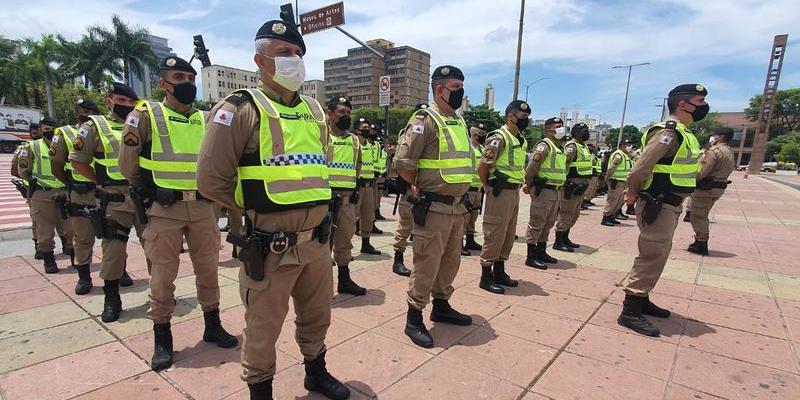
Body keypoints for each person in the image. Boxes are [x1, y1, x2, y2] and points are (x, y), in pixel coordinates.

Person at [196, 19, 350, 400]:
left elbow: (317, 170)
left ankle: (316, 371)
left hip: (316, 243)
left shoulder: (316, 112)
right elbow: (210, 180)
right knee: (263, 326)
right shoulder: (239, 108)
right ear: (260, 61)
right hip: (269, 246)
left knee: (318, 316)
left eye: (299, 54)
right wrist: (256, 205)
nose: (294, 61)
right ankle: (260, 390)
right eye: (284, 54)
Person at [119, 56, 237, 371]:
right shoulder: (145, 115)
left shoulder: (204, 119)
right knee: (162, 275)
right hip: (163, 208)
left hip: (201, 207)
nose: (186, 83)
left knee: (208, 269)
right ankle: (163, 337)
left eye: (189, 77)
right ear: (162, 83)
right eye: (178, 77)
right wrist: (147, 194)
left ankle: (212, 324)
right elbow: (128, 164)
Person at [619, 83, 707, 337]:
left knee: (659, 252)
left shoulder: (684, 133)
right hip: (658, 200)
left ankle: (642, 297)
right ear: (683, 104)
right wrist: (633, 193)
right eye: (699, 101)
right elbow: (639, 169)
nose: (703, 107)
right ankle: (630, 309)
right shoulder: (668, 133)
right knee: (651, 252)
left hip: (670, 202)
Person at [395, 65, 474, 348]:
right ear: (439, 90)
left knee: (450, 262)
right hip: (434, 206)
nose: (461, 92)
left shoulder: (459, 121)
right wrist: (418, 185)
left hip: (457, 208)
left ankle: (442, 306)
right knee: (427, 263)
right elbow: (404, 162)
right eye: (455, 87)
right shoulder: (424, 119)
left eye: (462, 86)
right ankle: (414, 317)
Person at [69, 82, 142, 323]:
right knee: (113, 252)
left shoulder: (144, 123)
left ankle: (161, 295)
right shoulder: (94, 127)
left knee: (157, 249)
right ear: (109, 101)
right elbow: (78, 161)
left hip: (144, 197)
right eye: (122, 102)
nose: (128, 107)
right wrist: (100, 180)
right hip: (114, 198)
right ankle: (112, 298)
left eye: (132, 103)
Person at [477, 101, 531, 293]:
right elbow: (483, 166)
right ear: (511, 117)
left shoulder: (520, 139)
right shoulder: (499, 138)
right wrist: (486, 186)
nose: (526, 121)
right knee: (495, 232)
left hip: (513, 191)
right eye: (523, 117)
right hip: (499, 192)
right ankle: (486, 275)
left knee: (508, 233)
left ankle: (499, 271)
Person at [50, 100, 102, 294]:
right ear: (76, 112)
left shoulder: (102, 130)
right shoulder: (65, 133)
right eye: (83, 111)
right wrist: (71, 183)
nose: (86, 114)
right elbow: (57, 165)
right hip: (80, 192)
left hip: (104, 190)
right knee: (82, 237)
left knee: (114, 235)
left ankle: (120, 271)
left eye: (91, 111)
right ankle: (84, 276)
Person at [18, 116, 75, 273]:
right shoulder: (32, 146)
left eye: (52, 129)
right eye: (45, 129)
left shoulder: (65, 144)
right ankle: (49, 261)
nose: (49, 132)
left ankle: (74, 259)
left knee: (70, 227)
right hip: (42, 193)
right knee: (44, 230)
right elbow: (23, 171)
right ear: (41, 130)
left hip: (64, 191)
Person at [326, 96, 367, 296]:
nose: (346, 116)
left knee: (344, 241)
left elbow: (357, 167)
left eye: (349, 113)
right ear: (330, 114)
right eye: (342, 112)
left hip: (346, 199)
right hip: (325, 200)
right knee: (322, 244)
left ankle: (344, 280)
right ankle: (320, 286)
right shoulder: (321, 137)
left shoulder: (354, 141)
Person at [389, 103, 429, 277]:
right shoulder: (408, 133)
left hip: (426, 186)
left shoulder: (432, 131)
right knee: (405, 224)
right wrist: (412, 182)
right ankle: (398, 259)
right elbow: (402, 162)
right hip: (410, 186)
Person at [523, 117, 568, 269]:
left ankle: (541, 251)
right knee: (537, 223)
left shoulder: (559, 147)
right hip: (543, 190)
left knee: (548, 223)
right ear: (549, 128)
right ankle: (531, 255)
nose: (561, 128)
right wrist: (528, 186)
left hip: (556, 191)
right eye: (557, 126)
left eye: (562, 126)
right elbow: (530, 169)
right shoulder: (544, 146)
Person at [688, 127, 735, 255]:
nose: (713, 137)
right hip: (718, 188)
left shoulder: (714, 152)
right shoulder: (729, 152)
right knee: (703, 214)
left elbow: (702, 172)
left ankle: (701, 243)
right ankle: (700, 240)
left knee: (698, 216)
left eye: (715, 135)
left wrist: (689, 178)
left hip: (706, 188)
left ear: (721, 137)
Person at [553, 123, 592, 252]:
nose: (585, 132)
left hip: (581, 186)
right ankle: (558, 241)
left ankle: (565, 238)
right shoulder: (572, 146)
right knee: (565, 213)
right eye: (582, 130)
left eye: (586, 129)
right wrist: (564, 182)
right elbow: (564, 165)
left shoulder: (584, 146)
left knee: (574, 214)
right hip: (571, 186)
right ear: (575, 133)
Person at [355, 118, 381, 255]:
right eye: (364, 128)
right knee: (351, 218)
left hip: (369, 186)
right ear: (357, 130)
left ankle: (366, 244)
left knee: (368, 216)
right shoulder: (354, 144)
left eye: (368, 128)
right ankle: (343, 250)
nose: (367, 130)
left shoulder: (371, 146)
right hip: (357, 186)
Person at [13, 124, 39, 257]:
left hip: (52, 187)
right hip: (32, 188)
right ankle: (39, 247)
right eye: (34, 133)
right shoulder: (24, 148)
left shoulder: (51, 145)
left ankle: (65, 245)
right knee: (36, 219)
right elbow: (17, 170)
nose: (37, 135)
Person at [461, 123, 486, 256]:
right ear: (474, 135)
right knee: (464, 217)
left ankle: (470, 240)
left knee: (473, 216)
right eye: (481, 134)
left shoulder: (482, 149)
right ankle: (459, 243)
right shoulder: (467, 148)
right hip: (468, 188)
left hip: (478, 189)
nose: (484, 136)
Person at [601, 141, 634, 226]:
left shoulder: (625, 155)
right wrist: (607, 177)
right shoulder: (618, 155)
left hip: (622, 181)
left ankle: (612, 216)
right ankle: (606, 217)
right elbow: (612, 167)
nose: (629, 147)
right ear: (622, 146)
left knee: (619, 200)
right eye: (627, 145)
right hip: (615, 181)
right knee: (613, 200)